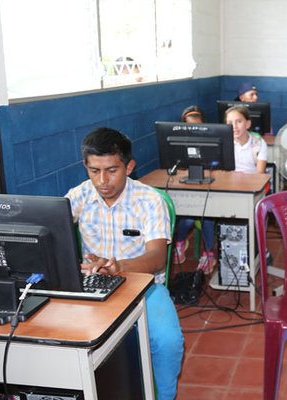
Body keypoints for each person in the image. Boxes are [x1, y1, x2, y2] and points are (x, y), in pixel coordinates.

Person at [66, 127, 183, 400]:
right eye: (94, 171)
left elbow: (156, 259)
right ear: (86, 167)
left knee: (168, 342)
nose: (103, 180)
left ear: (129, 167)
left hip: (144, 287)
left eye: (111, 170)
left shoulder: (150, 201)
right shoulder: (79, 196)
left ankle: (165, 396)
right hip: (93, 284)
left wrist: (120, 267)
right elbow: (50, 232)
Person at [172, 105, 216, 271]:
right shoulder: (179, 145)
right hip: (189, 192)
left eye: (197, 127)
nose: (193, 131)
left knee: (207, 215)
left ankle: (209, 253)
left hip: (209, 192)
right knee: (188, 217)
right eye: (189, 127)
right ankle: (180, 242)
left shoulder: (212, 143)